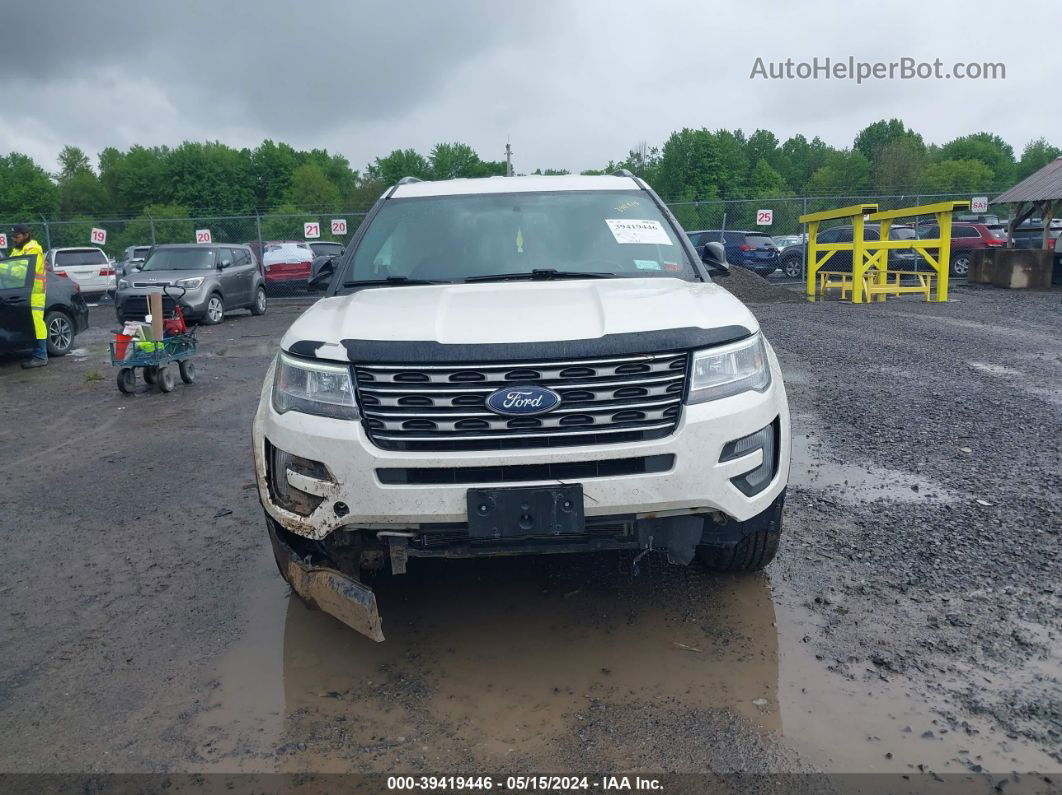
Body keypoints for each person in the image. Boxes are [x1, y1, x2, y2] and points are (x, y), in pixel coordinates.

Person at [7, 224, 47, 368]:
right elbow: (9, 266)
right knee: (30, 324)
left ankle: (41, 356)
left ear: (26, 235)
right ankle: (36, 354)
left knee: (37, 324)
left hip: (35, 293)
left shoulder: (33, 249)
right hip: (24, 292)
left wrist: (7, 269)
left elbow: (20, 271)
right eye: (13, 237)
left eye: (17, 237)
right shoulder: (18, 250)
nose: (14, 240)